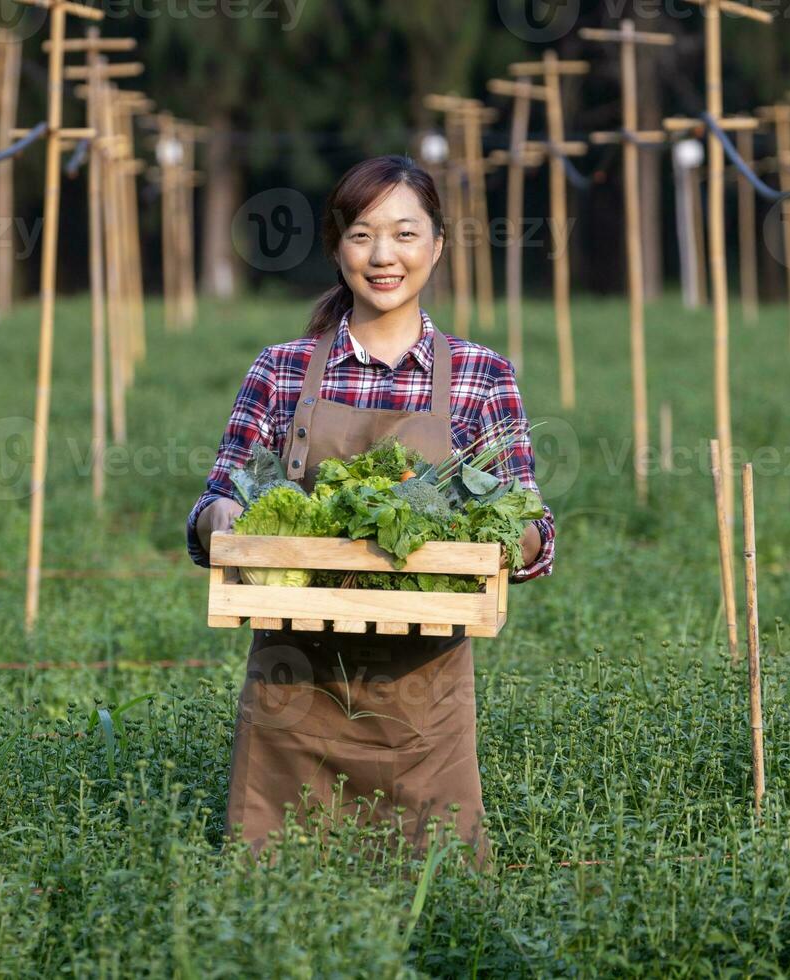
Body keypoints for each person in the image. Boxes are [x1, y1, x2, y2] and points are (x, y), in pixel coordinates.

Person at [187, 155, 556, 871]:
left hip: (425, 706)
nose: (383, 256)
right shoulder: (282, 368)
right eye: (361, 235)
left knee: (436, 914)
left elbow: (535, 532)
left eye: (405, 233)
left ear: (438, 245)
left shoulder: (483, 375)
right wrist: (226, 520)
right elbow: (212, 504)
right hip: (292, 692)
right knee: (277, 905)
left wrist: (512, 534)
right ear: (336, 247)